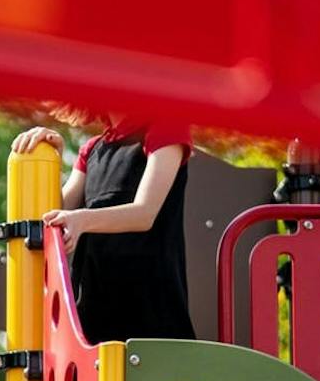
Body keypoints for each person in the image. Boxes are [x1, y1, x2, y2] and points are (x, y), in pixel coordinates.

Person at [11, 115, 195, 347]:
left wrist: (82, 220)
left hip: (150, 309)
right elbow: (57, 212)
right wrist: (52, 159)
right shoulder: (93, 149)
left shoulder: (166, 129)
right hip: (94, 308)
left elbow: (145, 213)